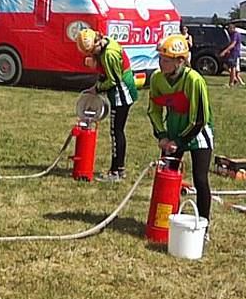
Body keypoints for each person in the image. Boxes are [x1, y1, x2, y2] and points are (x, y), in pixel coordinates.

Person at [148, 35, 214, 221]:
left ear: (180, 61)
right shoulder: (156, 79)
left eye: (166, 60)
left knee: (200, 179)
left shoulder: (194, 80)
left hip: (198, 135)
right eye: (160, 58)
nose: (161, 63)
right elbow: (153, 110)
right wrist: (162, 135)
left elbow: (199, 119)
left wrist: (180, 141)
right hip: (172, 136)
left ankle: (203, 224)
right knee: (167, 177)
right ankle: (165, 220)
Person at [76, 28, 138, 182]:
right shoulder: (106, 44)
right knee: (117, 131)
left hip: (121, 94)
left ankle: (116, 171)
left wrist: (96, 89)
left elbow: (114, 80)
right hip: (121, 90)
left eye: (91, 52)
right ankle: (118, 169)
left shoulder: (109, 54)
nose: (91, 55)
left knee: (116, 131)